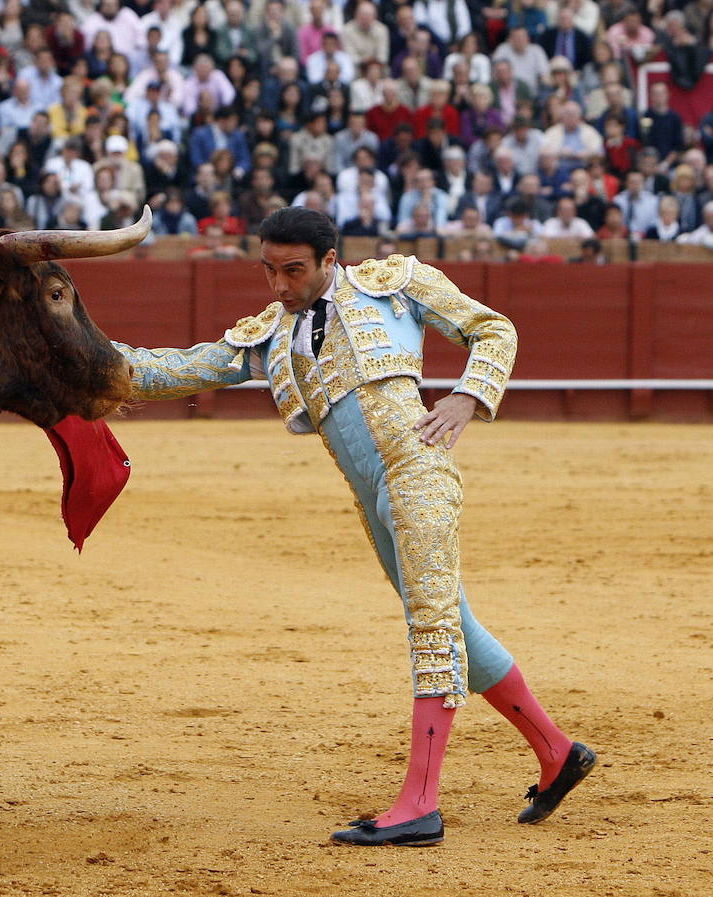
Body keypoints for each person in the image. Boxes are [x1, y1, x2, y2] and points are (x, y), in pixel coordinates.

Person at [109, 207, 596, 846]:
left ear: (329, 260)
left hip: (417, 472)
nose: (280, 286)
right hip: (372, 497)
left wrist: (466, 396)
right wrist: (91, 356)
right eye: (269, 271)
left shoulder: (395, 283)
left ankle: (420, 804)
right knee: (457, 628)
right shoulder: (270, 333)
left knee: (431, 627)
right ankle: (558, 753)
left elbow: (492, 329)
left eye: (294, 271)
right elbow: (180, 369)